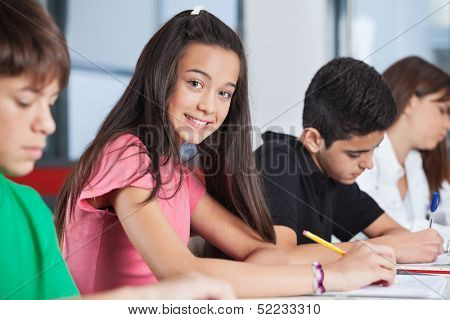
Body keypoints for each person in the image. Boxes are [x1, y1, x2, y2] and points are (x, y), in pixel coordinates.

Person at [54, 10, 397, 297]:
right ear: (161, 77)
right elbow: (181, 272)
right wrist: (330, 276)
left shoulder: (177, 174)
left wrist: (264, 270)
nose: (208, 106)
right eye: (195, 83)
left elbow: (263, 251)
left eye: (224, 93)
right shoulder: (127, 154)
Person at [0, 0, 235, 300]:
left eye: (50, 103)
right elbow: (179, 271)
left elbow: (60, 309)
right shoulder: (127, 155)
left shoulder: (29, 209)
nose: (48, 125)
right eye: (24, 101)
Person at [255, 57, 444, 265]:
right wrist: (383, 247)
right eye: (355, 154)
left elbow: (395, 233)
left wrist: (396, 243)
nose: (368, 163)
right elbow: (280, 257)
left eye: (374, 149)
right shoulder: (277, 161)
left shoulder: (333, 177)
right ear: (314, 140)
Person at [357, 56, 450, 241]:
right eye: (442, 110)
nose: (447, 124)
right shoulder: (362, 159)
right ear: (410, 103)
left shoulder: (416, 163)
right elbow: (384, 232)